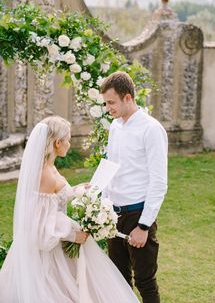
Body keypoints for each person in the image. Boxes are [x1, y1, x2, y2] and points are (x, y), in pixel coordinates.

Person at [0, 115, 140, 303]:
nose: (69, 143)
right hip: (47, 254)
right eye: (68, 139)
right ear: (57, 142)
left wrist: (78, 190)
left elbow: (55, 199)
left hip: (58, 244)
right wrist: (73, 235)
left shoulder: (50, 167)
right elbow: (41, 227)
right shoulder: (45, 175)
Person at [101, 71, 168, 303]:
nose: (108, 108)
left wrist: (144, 225)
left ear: (127, 97)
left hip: (138, 214)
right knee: (118, 280)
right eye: (106, 103)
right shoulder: (115, 126)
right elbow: (112, 167)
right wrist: (101, 201)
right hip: (113, 215)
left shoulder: (151, 129)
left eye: (111, 102)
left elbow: (159, 182)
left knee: (145, 282)